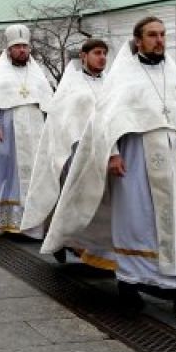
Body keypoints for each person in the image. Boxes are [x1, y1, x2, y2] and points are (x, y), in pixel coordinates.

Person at [43, 18, 176, 312]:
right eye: (152, 35)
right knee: (136, 218)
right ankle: (129, 283)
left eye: (163, 35)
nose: (159, 40)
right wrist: (112, 153)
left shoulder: (174, 73)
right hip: (136, 157)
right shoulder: (124, 75)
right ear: (138, 40)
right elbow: (106, 118)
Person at [21, 38, 109, 261]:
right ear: (84, 56)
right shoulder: (72, 84)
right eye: (97, 53)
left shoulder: (110, 83)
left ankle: (92, 247)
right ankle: (61, 239)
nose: (102, 58)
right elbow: (61, 118)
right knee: (72, 197)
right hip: (75, 149)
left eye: (104, 53)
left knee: (98, 200)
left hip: (103, 150)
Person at [0, 25, 54, 237]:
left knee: (36, 174)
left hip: (35, 131)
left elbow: (48, 104)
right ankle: (12, 222)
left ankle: (34, 222)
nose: (22, 50)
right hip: (8, 132)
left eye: (25, 46)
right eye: (18, 47)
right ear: (9, 50)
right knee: (11, 175)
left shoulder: (38, 75)